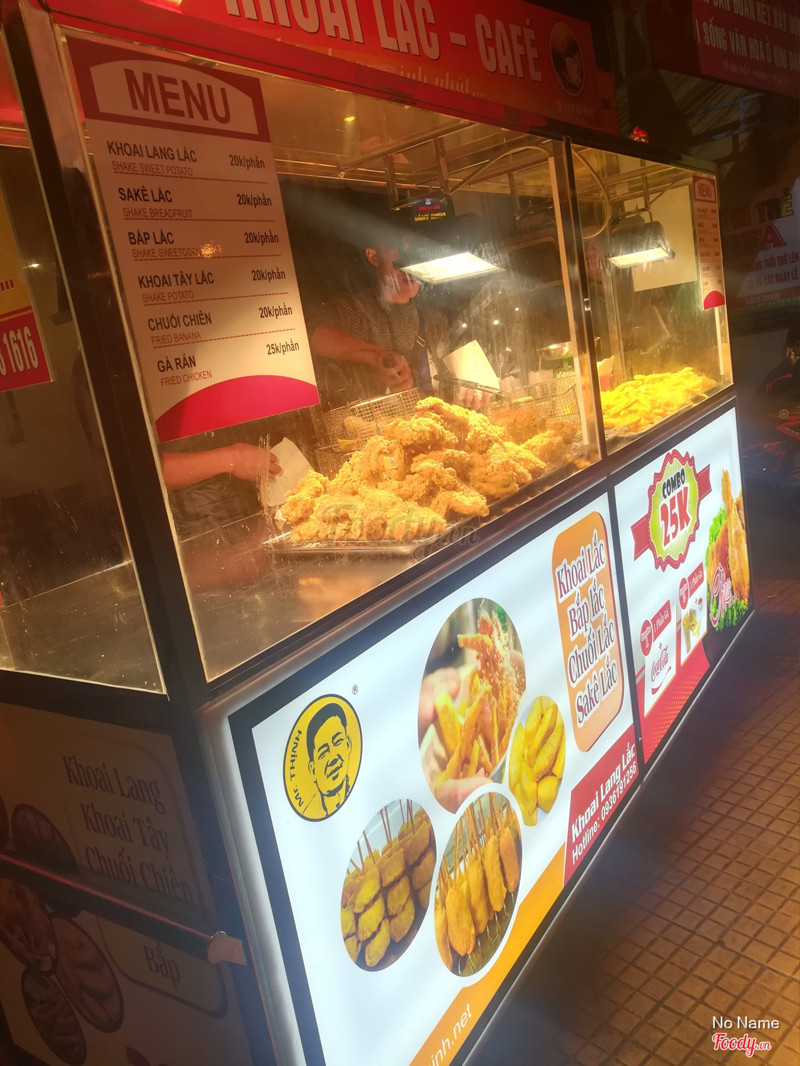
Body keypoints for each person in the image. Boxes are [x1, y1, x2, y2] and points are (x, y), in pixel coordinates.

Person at [309, 213, 451, 406]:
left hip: (432, 422)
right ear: (374, 256)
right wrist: (377, 355)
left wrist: (471, 393)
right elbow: (312, 333)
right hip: (376, 423)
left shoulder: (435, 321)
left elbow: (452, 383)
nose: (409, 265)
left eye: (415, 252)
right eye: (399, 253)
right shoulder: (354, 312)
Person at [304, 702, 354, 818]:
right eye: (323, 753)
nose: (333, 757)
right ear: (312, 769)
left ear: (348, 744)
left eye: (337, 742)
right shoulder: (311, 814)